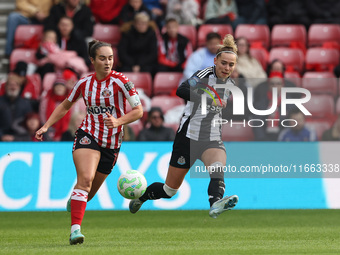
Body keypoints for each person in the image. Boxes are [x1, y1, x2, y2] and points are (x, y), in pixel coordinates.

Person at [35, 40, 143, 245]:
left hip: (112, 144)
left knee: (88, 193)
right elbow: (65, 106)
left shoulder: (122, 81)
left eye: (110, 58)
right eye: (102, 58)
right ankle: (75, 231)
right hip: (88, 135)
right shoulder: (84, 83)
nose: (108, 62)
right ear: (92, 60)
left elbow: (139, 111)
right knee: (85, 180)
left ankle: (76, 197)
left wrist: (118, 121)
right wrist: (46, 125)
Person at [129, 34, 239, 218]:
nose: (227, 68)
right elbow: (182, 89)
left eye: (231, 64)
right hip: (187, 138)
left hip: (211, 138)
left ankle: (215, 204)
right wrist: (209, 98)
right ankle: (142, 198)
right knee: (169, 190)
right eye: (224, 63)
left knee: (217, 169)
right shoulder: (203, 75)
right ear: (215, 61)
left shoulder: (231, 84)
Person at [0, 75, 33, 141]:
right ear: (6, 87)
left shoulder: (25, 103)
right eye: (10, 85)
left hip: (20, 139)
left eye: (16, 85)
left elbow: (29, 123)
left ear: (19, 87)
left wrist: (16, 138)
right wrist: (1, 136)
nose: (13, 87)